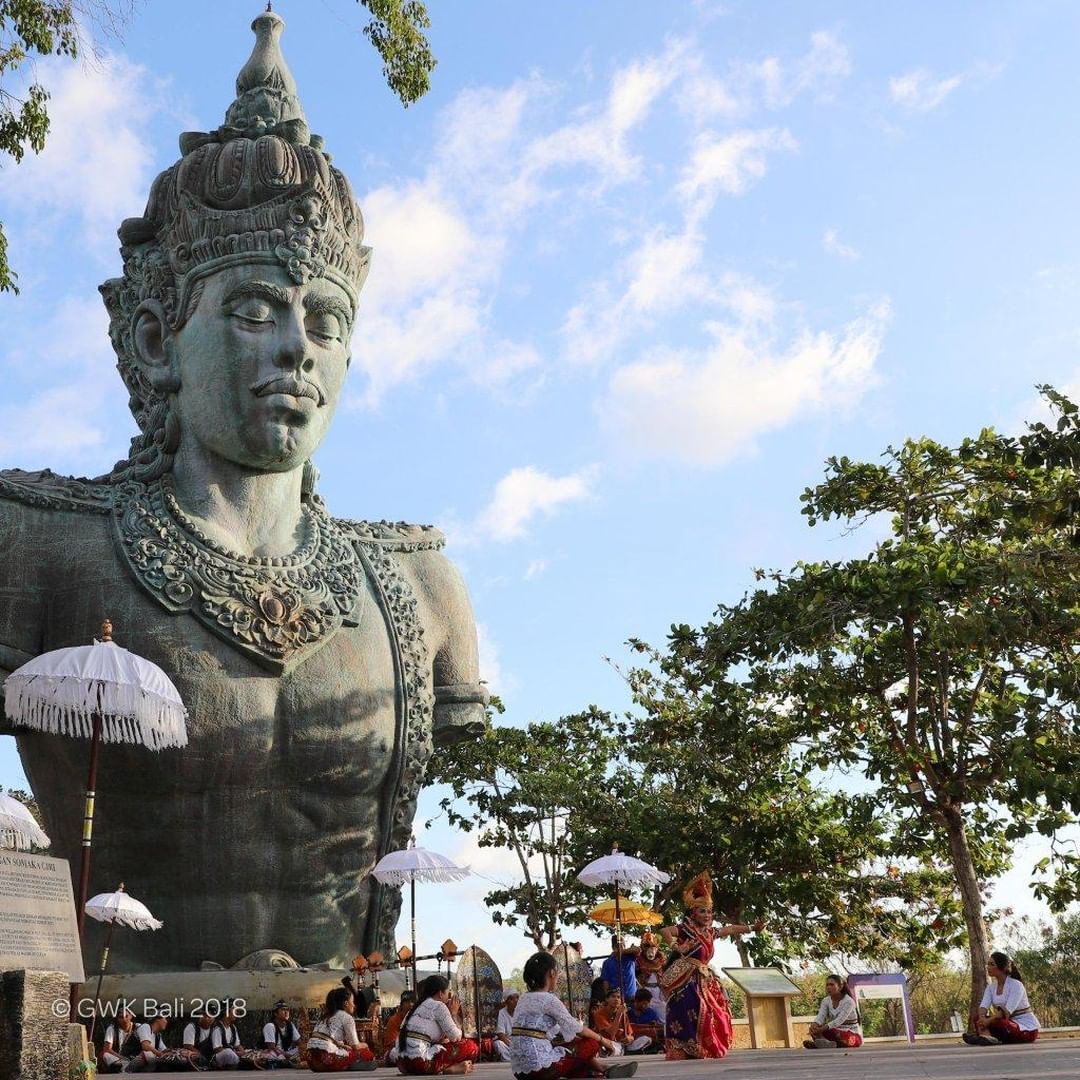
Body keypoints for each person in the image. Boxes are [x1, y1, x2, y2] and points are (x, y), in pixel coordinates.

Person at [659, 872, 765, 1060]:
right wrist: (677, 946)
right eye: (702, 911)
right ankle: (685, 1047)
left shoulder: (711, 932)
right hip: (687, 979)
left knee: (718, 1009)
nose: (707, 915)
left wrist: (752, 928)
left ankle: (703, 1047)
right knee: (694, 1009)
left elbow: (731, 929)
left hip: (705, 977)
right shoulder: (686, 929)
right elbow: (664, 930)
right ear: (694, 913)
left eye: (709, 912)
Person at [511, 951, 637, 1080]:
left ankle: (598, 1071)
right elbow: (578, 1029)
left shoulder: (523, 998)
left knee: (574, 1051)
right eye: (557, 972)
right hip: (540, 1070)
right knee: (591, 1043)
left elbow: (558, 1032)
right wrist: (605, 1042)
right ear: (552, 973)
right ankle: (601, 1069)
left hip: (520, 1071)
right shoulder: (548, 999)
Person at [396, 974, 478, 1075]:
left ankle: (444, 1067)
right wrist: (453, 1013)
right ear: (440, 993)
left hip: (403, 1065)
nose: (449, 996)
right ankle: (448, 1069)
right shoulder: (439, 1006)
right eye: (448, 992)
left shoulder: (415, 1007)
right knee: (471, 1046)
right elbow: (456, 1037)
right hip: (421, 1063)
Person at [965, 951, 1040, 1046]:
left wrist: (987, 1021)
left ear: (1003, 968)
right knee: (977, 1018)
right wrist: (982, 1019)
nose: (988, 967)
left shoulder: (1016, 985)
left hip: (1025, 1029)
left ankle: (984, 1036)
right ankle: (986, 1037)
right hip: (1006, 1024)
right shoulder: (991, 987)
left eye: (992, 964)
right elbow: (983, 1006)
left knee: (1000, 1023)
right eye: (987, 964)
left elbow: (1006, 1012)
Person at [308, 986, 378, 1072]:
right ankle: (348, 1065)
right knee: (368, 1055)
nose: (354, 1005)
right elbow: (356, 1046)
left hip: (311, 1060)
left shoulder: (324, 1016)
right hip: (327, 1059)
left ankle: (348, 1064)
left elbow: (329, 1039)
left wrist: (343, 1046)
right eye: (352, 1002)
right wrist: (366, 1045)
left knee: (348, 1050)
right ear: (346, 1003)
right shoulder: (347, 1017)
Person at [804, 975, 863, 1049]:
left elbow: (839, 1021)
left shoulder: (849, 1001)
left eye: (832, 985)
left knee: (833, 1032)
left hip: (851, 1035)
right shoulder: (825, 1001)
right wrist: (814, 1025)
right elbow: (821, 1016)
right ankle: (826, 1043)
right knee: (817, 1030)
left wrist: (821, 1029)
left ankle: (822, 1043)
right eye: (827, 985)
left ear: (840, 987)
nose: (828, 987)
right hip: (833, 1031)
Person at [635, 933, 666, 1022]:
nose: (650, 950)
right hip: (644, 990)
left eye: (653, 947)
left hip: (658, 990)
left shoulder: (661, 959)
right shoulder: (638, 960)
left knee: (663, 1010)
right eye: (647, 947)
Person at [100, 1008, 141, 1073]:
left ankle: (126, 1068)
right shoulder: (112, 1028)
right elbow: (107, 1049)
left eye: (126, 1016)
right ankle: (123, 1068)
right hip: (118, 1059)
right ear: (117, 1018)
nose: (124, 1019)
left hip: (134, 1057)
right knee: (106, 1055)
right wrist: (122, 1058)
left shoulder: (138, 1027)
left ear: (131, 1016)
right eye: (121, 1017)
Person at [263, 999, 302, 1067]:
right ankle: (287, 1062)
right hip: (275, 1053)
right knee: (271, 1056)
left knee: (304, 1049)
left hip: (287, 1052)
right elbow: (271, 1047)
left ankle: (288, 1061)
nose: (286, 1012)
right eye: (283, 1010)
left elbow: (299, 1043)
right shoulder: (270, 1026)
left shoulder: (290, 1025)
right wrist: (286, 1055)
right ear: (275, 1013)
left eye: (287, 1010)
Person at [600, 936, 639, 1003]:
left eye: (623, 945)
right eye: (618, 946)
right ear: (613, 948)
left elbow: (637, 950)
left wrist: (622, 952)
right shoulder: (607, 962)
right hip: (617, 1000)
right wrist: (607, 998)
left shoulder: (630, 957)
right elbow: (606, 982)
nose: (622, 947)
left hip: (632, 998)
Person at [383, 991, 417, 1065]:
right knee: (397, 1052)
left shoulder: (418, 1019)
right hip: (395, 1050)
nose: (411, 1005)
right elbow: (392, 1043)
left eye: (413, 1002)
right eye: (407, 1002)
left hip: (414, 1049)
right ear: (401, 1004)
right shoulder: (393, 1020)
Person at [494, 989, 520, 1062]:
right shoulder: (502, 1013)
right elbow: (500, 1033)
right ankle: (509, 1059)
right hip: (508, 1043)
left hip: (520, 1043)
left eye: (517, 997)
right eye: (511, 999)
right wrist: (511, 1045)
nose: (515, 1001)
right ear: (506, 1002)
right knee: (498, 1044)